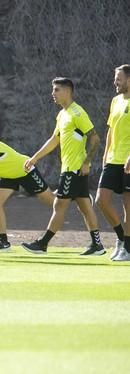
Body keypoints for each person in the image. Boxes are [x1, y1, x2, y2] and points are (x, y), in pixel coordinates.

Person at [22, 77, 104, 255]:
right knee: (84, 206)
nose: (53, 94)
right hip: (70, 169)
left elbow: (95, 138)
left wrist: (87, 162)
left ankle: (43, 243)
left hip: (73, 169)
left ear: (67, 91)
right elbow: (54, 140)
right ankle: (97, 245)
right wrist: (34, 158)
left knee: (59, 205)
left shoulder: (77, 113)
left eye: (56, 90)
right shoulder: (62, 114)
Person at [0, 114, 55, 251]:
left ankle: (72, 196)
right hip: (7, 175)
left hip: (25, 170)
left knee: (53, 202)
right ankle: (3, 242)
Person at [96, 64, 130, 261]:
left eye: (119, 79)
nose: (115, 82)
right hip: (112, 159)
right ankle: (122, 239)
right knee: (101, 200)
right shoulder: (115, 101)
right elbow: (110, 130)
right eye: (115, 78)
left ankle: (128, 248)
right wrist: (105, 154)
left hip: (128, 160)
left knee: (128, 205)